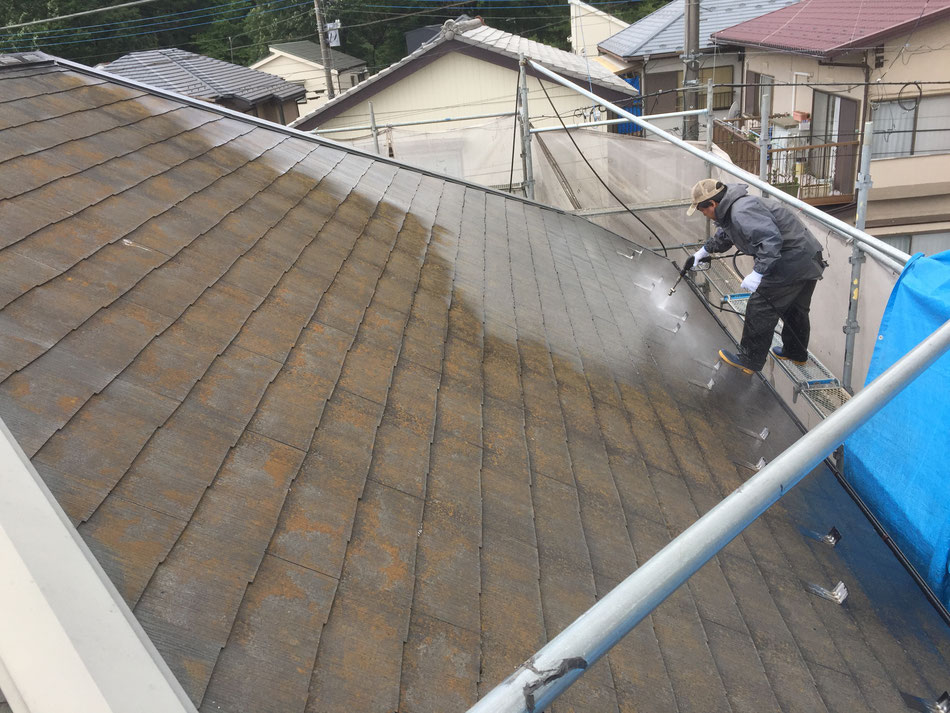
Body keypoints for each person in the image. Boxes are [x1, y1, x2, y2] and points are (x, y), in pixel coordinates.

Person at [684, 178, 827, 374]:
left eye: (703, 210)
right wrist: (702, 252)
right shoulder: (736, 209)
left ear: (713, 204)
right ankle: (796, 353)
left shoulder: (742, 211)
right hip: (807, 259)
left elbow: (770, 240)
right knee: (795, 309)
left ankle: (749, 360)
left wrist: (758, 273)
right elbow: (728, 234)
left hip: (791, 262)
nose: (705, 215)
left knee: (760, 307)